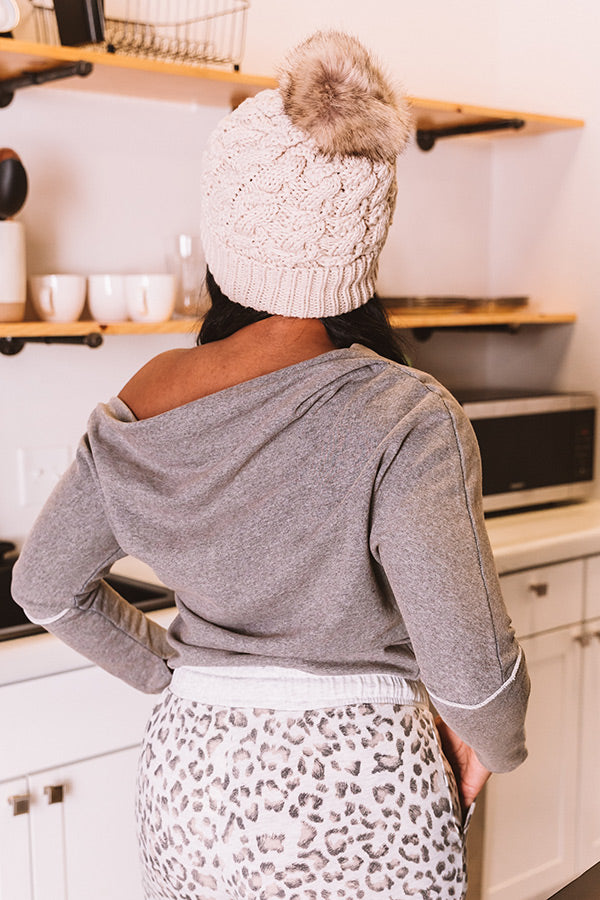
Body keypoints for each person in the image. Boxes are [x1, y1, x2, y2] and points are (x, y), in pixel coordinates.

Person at [12, 30, 529, 900]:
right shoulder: (405, 414)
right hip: (358, 788)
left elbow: (45, 587)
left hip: (191, 784)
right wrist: (494, 744)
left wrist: (170, 671)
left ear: (228, 230)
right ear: (362, 239)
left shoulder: (138, 403)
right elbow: (472, 675)